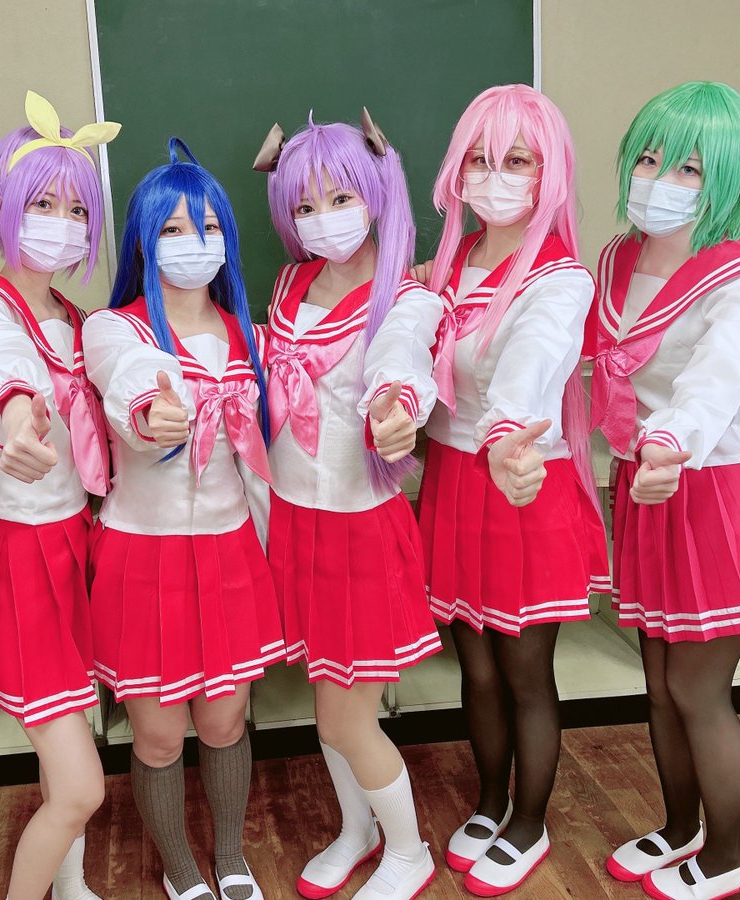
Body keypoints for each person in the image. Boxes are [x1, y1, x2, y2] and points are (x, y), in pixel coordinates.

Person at [590, 80, 740, 900]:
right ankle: (681, 826)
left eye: (688, 169)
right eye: (649, 159)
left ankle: (732, 853)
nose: (659, 180)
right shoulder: (618, 257)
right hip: (646, 485)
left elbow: (715, 384)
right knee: (659, 680)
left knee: (697, 688)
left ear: (726, 179)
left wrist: (667, 442)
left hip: (713, 489)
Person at [416, 84, 608, 896]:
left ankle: (529, 820)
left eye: (517, 160)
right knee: (478, 667)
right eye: (479, 159)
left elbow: (532, 365)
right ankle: (490, 800)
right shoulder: (447, 264)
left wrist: (504, 435)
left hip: (521, 477)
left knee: (525, 672)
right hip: (453, 480)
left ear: (548, 172)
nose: (494, 177)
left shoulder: (560, 278)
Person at [82, 138, 280, 900]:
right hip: (145, 556)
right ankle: (180, 867)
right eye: (171, 228)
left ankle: (229, 855)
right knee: (160, 735)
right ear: (142, 239)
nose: (193, 242)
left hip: (229, 552)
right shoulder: (115, 329)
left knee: (226, 723)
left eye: (208, 226)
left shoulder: (249, 334)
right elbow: (131, 380)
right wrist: (152, 411)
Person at [255, 111, 441, 900]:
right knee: (324, 693)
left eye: (338, 198)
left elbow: (403, 363)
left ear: (375, 194)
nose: (321, 218)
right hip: (296, 519)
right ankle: (357, 829)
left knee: (343, 718)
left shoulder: (406, 296)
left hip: (360, 525)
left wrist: (399, 409)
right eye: (304, 205)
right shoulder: (290, 283)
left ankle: (409, 850)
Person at [0, 90, 119, 900]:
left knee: (66, 749)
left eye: (76, 209)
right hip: (19, 561)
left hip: (72, 546)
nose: (61, 223)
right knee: (81, 786)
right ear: (0, 205)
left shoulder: (73, 318)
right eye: (42, 204)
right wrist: (15, 416)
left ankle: (69, 887)